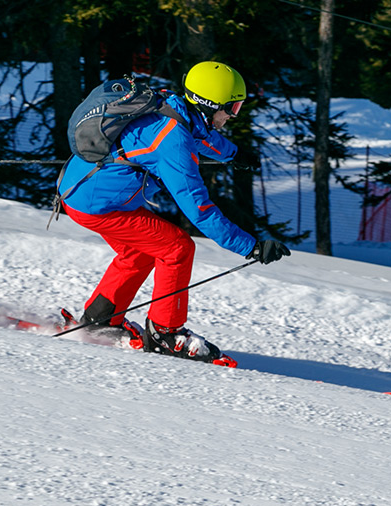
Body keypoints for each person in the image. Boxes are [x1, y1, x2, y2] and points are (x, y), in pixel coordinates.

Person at [56, 60, 289, 363]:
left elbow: (201, 135)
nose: (233, 115)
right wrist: (251, 246)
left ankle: (101, 319)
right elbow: (200, 209)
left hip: (84, 191)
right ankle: (166, 332)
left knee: (138, 253)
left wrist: (234, 154)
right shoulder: (174, 143)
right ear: (208, 104)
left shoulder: (173, 106)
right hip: (98, 204)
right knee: (177, 247)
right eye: (231, 108)